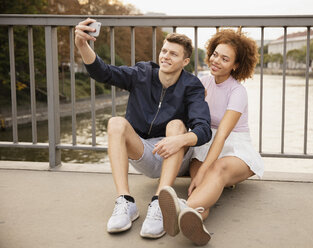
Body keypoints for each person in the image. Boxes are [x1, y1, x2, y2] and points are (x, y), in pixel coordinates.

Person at [74, 18, 211, 239]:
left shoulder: (192, 85)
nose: (166, 56)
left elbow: (204, 128)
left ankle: (159, 203)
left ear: (185, 61)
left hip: (175, 154)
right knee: (115, 123)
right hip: (144, 152)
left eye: (173, 54)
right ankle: (125, 202)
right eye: (164, 51)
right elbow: (103, 72)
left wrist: (180, 140)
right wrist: (82, 45)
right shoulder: (142, 73)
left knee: (176, 125)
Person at [158, 29, 264, 245]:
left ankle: (181, 208)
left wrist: (204, 169)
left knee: (216, 170)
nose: (216, 61)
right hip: (206, 145)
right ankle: (193, 218)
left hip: (234, 148)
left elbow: (223, 135)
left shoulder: (237, 92)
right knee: (199, 192)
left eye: (225, 59)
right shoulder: (203, 83)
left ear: (235, 65)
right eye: (215, 54)